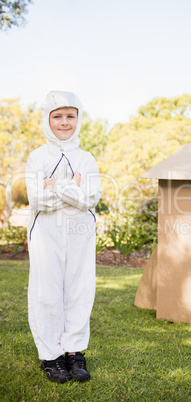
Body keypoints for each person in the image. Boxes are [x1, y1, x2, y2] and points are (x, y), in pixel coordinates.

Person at [26, 90, 102, 383]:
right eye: (57, 116)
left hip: (80, 233)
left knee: (79, 289)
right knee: (47, 292)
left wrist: (55, 186)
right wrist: (72, 188)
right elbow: (37, 200)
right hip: (46, 233)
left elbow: (90, 198)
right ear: (47, 119)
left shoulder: (86, 158)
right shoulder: (37, 156)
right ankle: (51, 356)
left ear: (78, 118)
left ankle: (74, 352)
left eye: (71, 116)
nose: (64, 122)